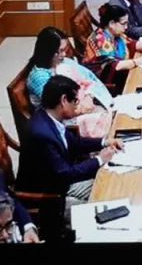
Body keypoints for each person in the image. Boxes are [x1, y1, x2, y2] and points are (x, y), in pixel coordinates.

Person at [16, 75, 123, 203]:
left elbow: (75, 142)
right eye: (75, 101)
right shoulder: (42, 135)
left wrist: (104, 142)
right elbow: (65, 174)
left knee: (111, 177)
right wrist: (99, 159)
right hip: (50, 193)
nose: (77, 106)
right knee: (109, 190)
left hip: (62, 177)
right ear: (64, 100)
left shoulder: (47, 116)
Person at [27, 27, 113, 138]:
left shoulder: (62, 61)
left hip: (80, 103)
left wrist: (89, 94)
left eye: (65, 50)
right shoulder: (39, 77)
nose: (64, 54)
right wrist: (83, 103)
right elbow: (59, 107)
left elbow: (86, 79)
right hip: (63, 121)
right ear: (49, 51)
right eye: (60, 51)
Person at [82, 3, 142, 94]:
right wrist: (140, 61)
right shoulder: (100, 40)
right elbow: (115, 66)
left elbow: (131, 44)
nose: (126, 27)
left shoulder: (116, 34)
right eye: (123, 24)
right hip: (106, 82)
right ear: (111, 24)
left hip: (122, 74)